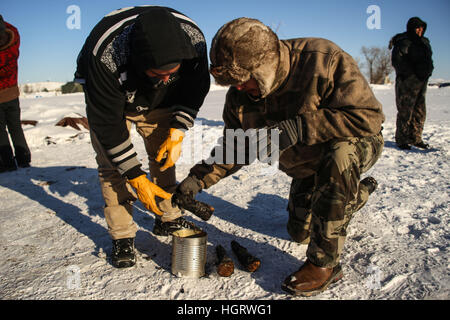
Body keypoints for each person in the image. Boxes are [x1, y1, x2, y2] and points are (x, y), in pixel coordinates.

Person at [174, 18, 385, 296]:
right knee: (300, 233)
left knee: (340, 154)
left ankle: (325, 265)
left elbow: (368, 117)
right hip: (305, 166)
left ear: (263, 68)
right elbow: (238, 146)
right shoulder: (240, 96)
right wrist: (198, 179)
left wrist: (300, 127)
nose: (237, 89)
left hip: (351, 147)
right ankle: (354, 194)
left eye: (243, 81)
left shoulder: (322, 60)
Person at [75, 6, 210, 268]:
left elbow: (196, 84)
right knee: (112, 168)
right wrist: (135, 177)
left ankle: (168, 217)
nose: (166, 79)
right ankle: (122, 234)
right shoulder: (103, 56)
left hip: (158, 104)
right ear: (140, 61)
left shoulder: (193, 41)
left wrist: (178, 128)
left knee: (163, 156)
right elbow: (107, 126)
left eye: (172, 73)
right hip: (112, 102)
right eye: (159, 74)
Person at [389, 17, 433, 150]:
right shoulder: (403, 41)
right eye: (417, 27)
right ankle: (402, 139)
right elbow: (397, 60)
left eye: (422, 28)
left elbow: (428, 59)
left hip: (422, 81)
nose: (420, 30)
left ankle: (415, 138)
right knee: (405, 110)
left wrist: (428, 71)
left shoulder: (424, 42)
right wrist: (410, 74)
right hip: (407, 81)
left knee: (419, 111)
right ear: (411, 28)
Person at [0, 15, 31, 172]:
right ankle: (24, 159)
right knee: (15, 127)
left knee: (0, 131)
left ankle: (7, 163)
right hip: (13, 94)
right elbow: (12, 29)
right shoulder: (13, 43)